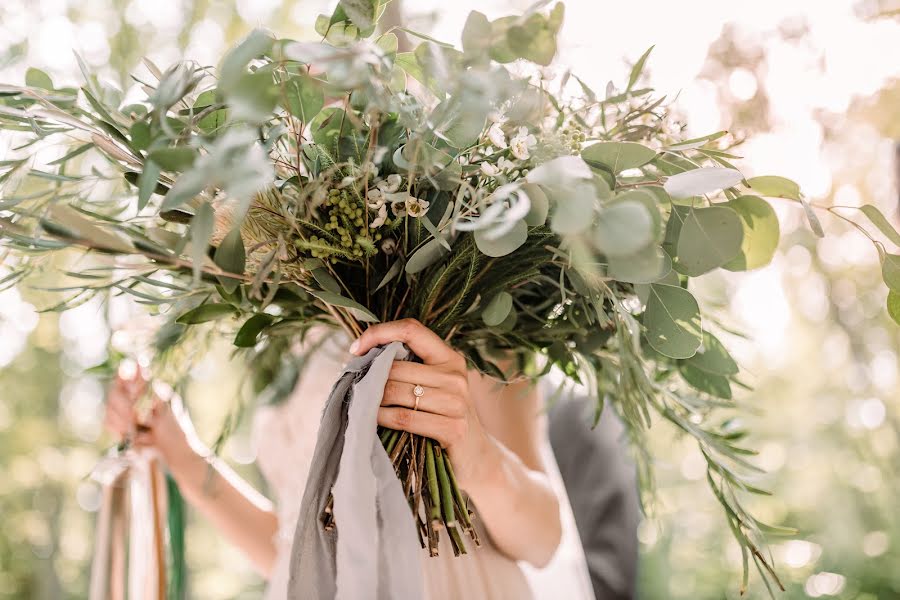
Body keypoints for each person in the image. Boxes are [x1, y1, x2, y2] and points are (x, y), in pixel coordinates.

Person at [105, 319, 593, 599]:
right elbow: (298, 547)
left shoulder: (470, 310)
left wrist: (473, 448)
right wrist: (182, 453)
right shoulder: (284, 328)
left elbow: (543, 537)